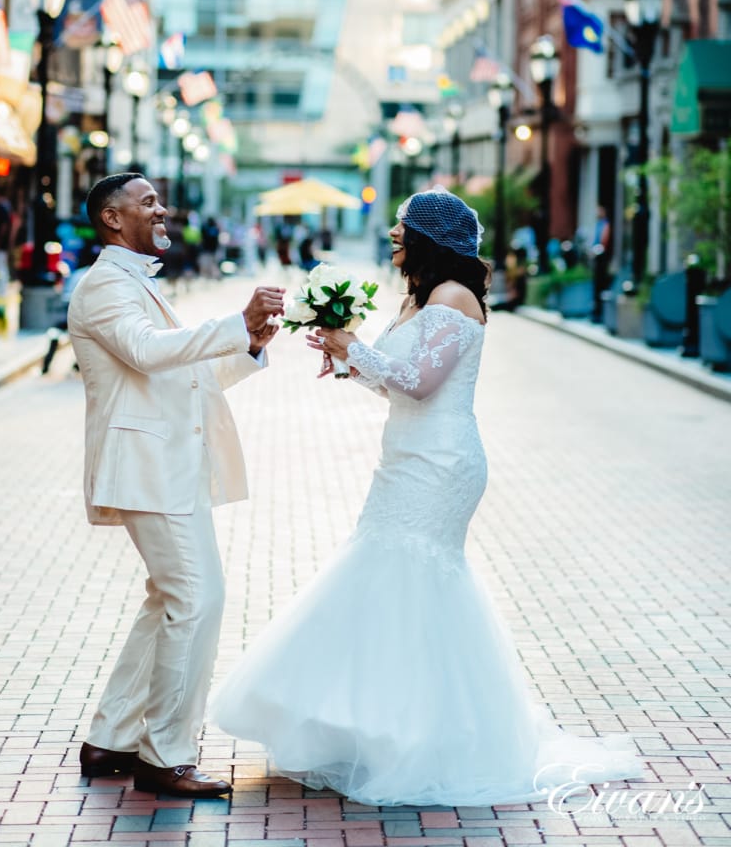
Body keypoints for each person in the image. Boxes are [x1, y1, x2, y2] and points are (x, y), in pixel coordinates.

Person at [209, 187, 644, 807]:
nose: (393, 236)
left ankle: (418, 736)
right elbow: (393, 386)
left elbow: (420, 382)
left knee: (411, 577)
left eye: (401, 227)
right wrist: (346, 361)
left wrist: (354, 347)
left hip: (442, 464)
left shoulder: (454, 297)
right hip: (405, 457)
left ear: (428, 239)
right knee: (384, 578)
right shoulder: (418, 298)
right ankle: (379, 727)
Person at [67, 173, 285, 799]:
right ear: (112, 219)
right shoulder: (106, 285)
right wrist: (231, 320)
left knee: (169, 599)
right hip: (146, 468)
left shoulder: (132, 282)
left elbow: (182, 374)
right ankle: (164, 756)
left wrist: (247, 345)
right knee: (197, 598)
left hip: (168, 466)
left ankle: (110, 738)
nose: (162, 210)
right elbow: (146, 352)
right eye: (147, 203)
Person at [591, 204, 612, 323]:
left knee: (600, 284)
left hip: (601, 259)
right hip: (597, 258)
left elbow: (604, 241)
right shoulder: (598, 224)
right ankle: (596, 311)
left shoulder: (605, 224)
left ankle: (599, 312)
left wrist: (599, 249)